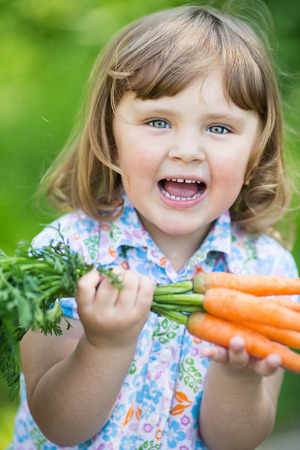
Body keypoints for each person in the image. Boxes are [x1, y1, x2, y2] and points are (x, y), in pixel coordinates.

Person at [8, 3, 299, 449]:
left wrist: (238, 376)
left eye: (219, 128)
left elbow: (233, 442)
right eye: (158, 122)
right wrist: (104, 345)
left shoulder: (267, 272)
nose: (187, 150)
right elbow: (59, 426)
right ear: (111, 137)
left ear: (256, 150)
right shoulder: (65, 252)